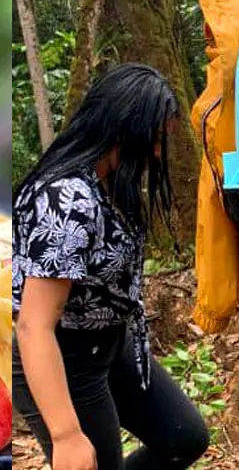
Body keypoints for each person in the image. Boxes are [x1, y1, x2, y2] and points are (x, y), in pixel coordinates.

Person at [11, 64, 209, 470]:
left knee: (183, 438)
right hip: (65, 355)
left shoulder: (108, 180)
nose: (158, 152)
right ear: (124, 128)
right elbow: (33, 326)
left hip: (111, 344)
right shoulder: (67, 201)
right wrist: (66, 435)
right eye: (155, 139)